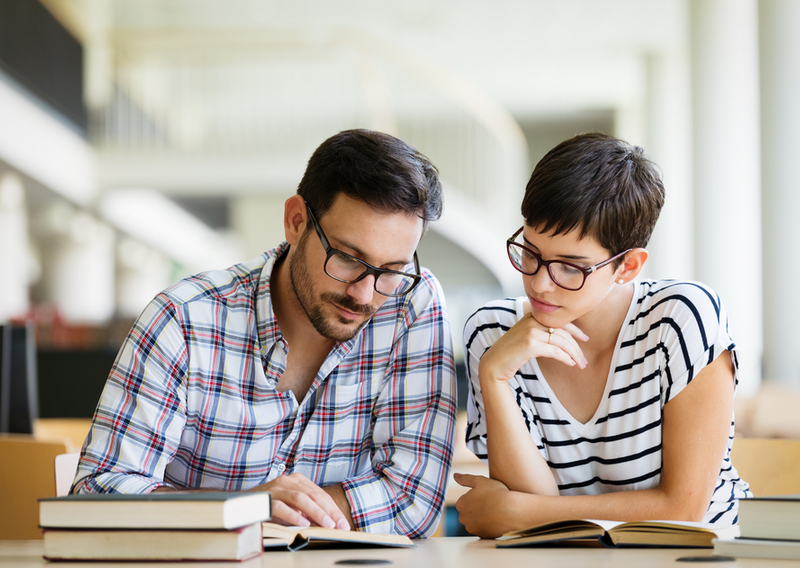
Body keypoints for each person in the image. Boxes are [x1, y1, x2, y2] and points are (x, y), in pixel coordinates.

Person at [72, 129, 457, 538]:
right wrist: (244, 509)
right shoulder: (184, 319)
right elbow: (96, 494)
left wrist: (282, 512)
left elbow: (415, 501)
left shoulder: (410, 304)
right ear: (296, 222)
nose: (364, 294)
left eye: (391, 270)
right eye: (347, 258)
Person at [454, 133, 751, 538]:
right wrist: (493, 375)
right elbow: (529, 512)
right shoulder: (493, 334)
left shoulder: (681, 318)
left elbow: (682, 510)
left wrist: (521, 513)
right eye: (530, 253)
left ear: (627, 266)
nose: (539, 284)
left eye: (570, 267)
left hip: (700, 556)